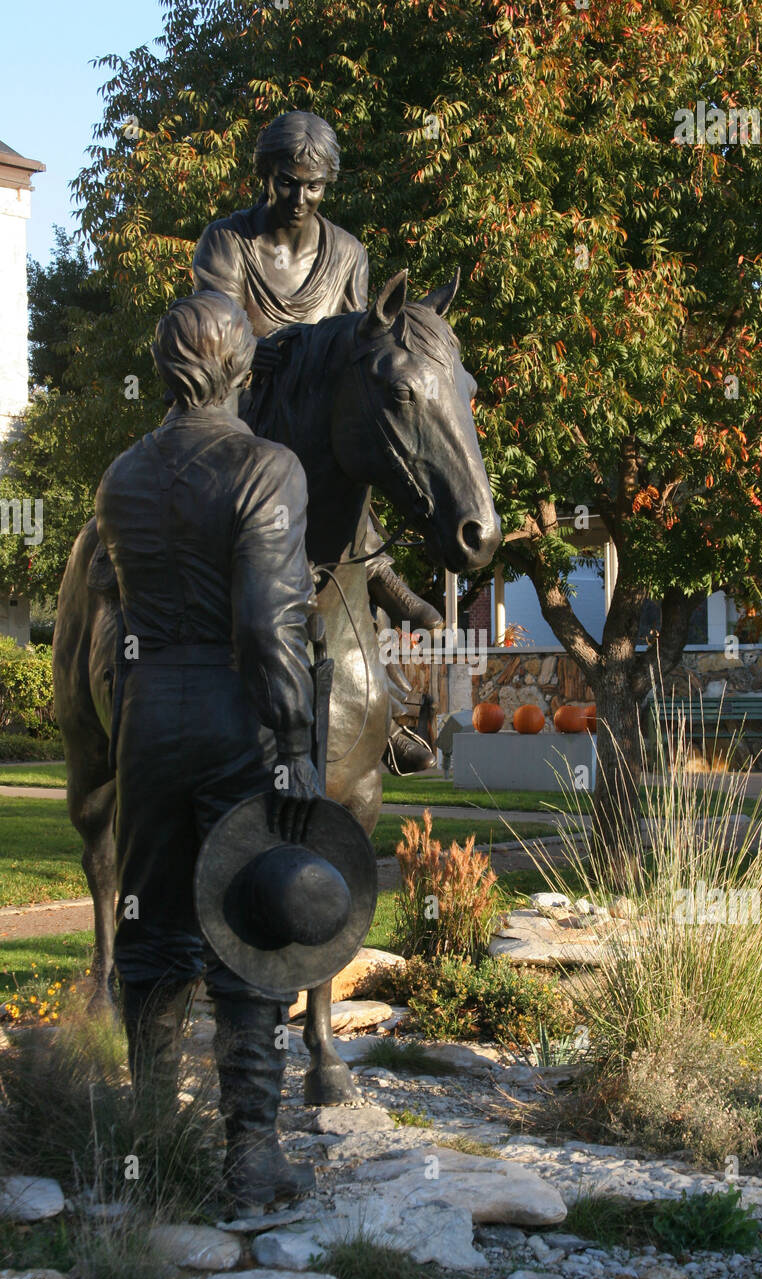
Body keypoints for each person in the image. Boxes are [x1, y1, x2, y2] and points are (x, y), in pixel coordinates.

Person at [95, 290, 318, 1210]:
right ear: (241, 368)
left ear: (164, 370)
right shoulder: (269, 468)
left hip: (147, 718)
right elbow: (270, 627)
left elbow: (118, 621)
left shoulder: (120, 477)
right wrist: (295, 741)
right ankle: (249, 1158)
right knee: (250, 929)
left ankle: (147, 1147)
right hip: (235, 711)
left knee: (148, 935)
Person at [193, 110, 440, 771]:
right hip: (244, 415)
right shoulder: (226, 241)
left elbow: (361, 348)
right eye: (285, 182)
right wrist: (251, 350)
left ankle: (376, 707)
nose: (299, 199)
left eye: (314, 186)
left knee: (356, 457)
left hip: (318, 425)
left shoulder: (349, 253)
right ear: (264, 175)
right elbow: (207, 331)